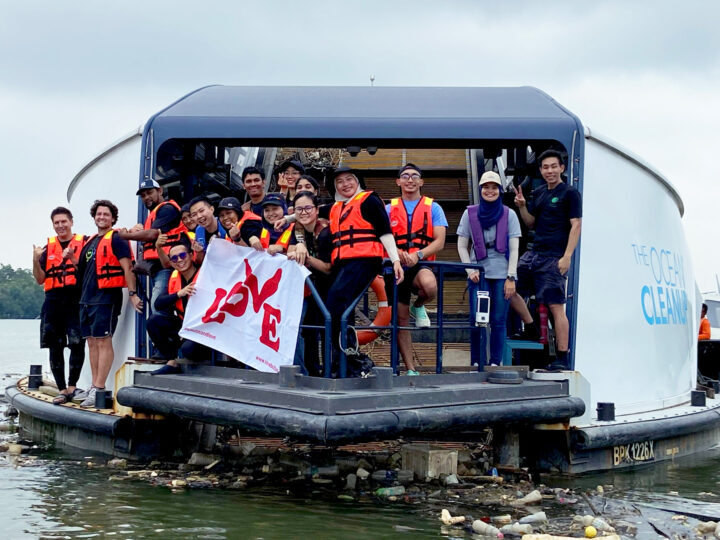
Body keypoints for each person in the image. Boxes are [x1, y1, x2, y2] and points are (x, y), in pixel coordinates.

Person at [325, 167, 404, 375]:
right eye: (339, 181)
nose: (345, 184)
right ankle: (345, 360)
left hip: (364, 260)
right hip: (344, 263)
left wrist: (395, 260)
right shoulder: (336, 207)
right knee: (339, 309)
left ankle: (350, 358)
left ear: (358, 181)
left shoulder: (369, 200)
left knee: (335, 302)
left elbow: (384, 230)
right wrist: (288, 219)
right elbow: (309, 211)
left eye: (349, 179)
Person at [513, 149, 582, 371]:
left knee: (556, 306)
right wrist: (522, 206)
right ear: (541, 171)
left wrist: (567, 256)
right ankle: (531, 327)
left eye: (554, 166)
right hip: (534, 254)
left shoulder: (570, 193)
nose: (549, 170)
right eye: (545, 167)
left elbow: (576, 225)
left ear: (562, 168)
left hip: (555, 256)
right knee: (511, 287)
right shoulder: (539, 192)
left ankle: (562, 356)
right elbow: (531, 223)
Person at [75, 200, 142, 407]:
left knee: (104, 341)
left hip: (105, 298)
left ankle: (99, 387)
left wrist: (132, 293)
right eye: (99, 214)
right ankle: (94, 386)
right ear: (94, 217)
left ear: (113, 218)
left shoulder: (117, 239)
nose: (102, 217)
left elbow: (127, 267)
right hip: (86, 299)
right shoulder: (91, 241)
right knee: (92, 342)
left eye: (106, 214)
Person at [385, 163, 448, 375]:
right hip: (396, 266)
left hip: (421, 262)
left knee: (430, 286)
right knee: (400, 319)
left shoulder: (433, 207)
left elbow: (439, 241)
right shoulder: (389, 208)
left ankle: (419, 305)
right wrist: (396, 254)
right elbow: (381, 237)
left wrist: (417, 254)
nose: (410, 180)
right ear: (398, 181)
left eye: (414, 176)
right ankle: (411, 369)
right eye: (405, 176)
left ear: (421, 181)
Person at [457, 171, 521, 367]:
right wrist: (470, 270)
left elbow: (514, 247)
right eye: (486, 187)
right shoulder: (470, 213)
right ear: (480, 189)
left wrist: (511, 277)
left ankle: (495, 361)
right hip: (478, 273)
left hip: (502, 273)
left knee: (499, 319)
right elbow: (461, 245)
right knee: (477, 318)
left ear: (500, 190)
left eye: (494, 187)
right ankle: (476, 361)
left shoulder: (509, 214)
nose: (490, 191)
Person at [31, 207, 87, 404]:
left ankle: (72, 387)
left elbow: (88, 271)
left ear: (71, 221)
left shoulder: (84, 243)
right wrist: (35, 259)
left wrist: (72, 257)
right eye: (57, 223)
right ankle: (62, 389)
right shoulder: (47, 249)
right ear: (53, 225)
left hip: (75, 300)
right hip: (53, 301)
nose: (61, 225)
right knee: (55, 347)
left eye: (64, 221)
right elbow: (39, 279)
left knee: (77, 344)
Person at [118, 179, 186, 315]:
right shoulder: (155, 213)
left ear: (159, 191)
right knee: (160, 308)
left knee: (158, 309)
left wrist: (125, 236)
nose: (146, 197)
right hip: (157, 268)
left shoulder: (167, 209)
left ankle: (167, 336)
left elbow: (152, 234)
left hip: (166, 267)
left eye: (149, 193)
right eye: (143, 195)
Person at [147, 239, 211, 374]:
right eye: (174, 258)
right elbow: (158, 304)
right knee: (153, 321)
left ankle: (200, 357)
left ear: (191, 255)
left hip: (203, 328)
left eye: (182, 256)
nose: (179, 260)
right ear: (171, 263)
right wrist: (179, 294)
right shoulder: (174, 278)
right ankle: (172, 361)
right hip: (183, 327)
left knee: (189, 350)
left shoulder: (204, 275)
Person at [287, 191, 333, 375]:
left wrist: (306, 257)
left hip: (330, 288)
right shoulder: (296, 229)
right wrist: (299, 247)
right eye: (299, 209)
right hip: (308, 289)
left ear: (316, 210)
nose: (304, 212)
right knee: (307, 332)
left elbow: (329, 267)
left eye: (308, 208)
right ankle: (310, 373)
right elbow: (290, 250)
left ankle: (332, 373)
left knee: (328, 332)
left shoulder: (326, 232)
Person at [189, 196, 262, 263]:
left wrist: (248, 238)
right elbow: (201, 263)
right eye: (194, 215)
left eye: (201, 211)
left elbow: (250, 255)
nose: (199, 216)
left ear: (212, 209)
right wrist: (199, 252)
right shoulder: (198, 231)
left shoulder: (229, 225)